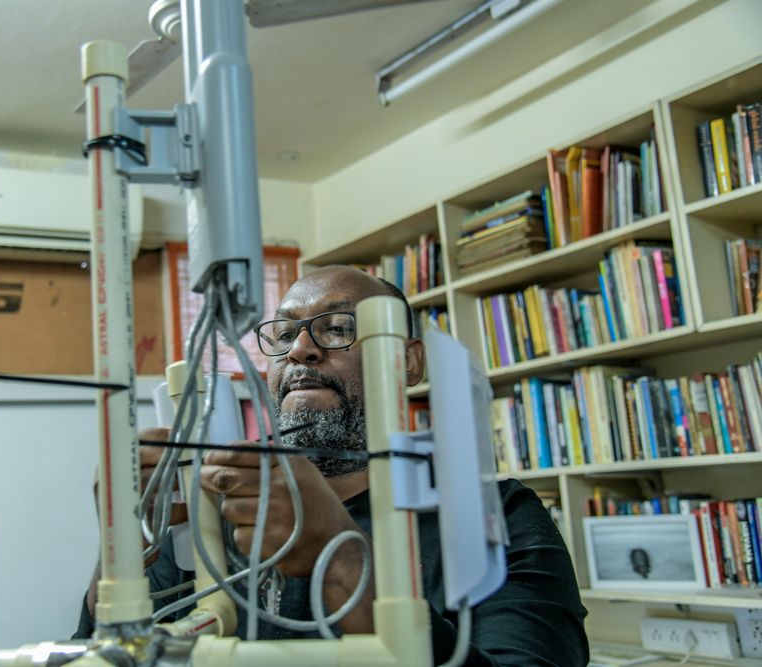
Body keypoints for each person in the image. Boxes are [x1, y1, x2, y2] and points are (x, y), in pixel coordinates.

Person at [74, 265, 589, 666]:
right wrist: (124, 543)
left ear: (408, 361)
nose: (301, 349)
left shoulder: (493, 514)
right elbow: (95, 649)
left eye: (338, 327)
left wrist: (339, 556)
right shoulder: (214, 515)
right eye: (284, 335)